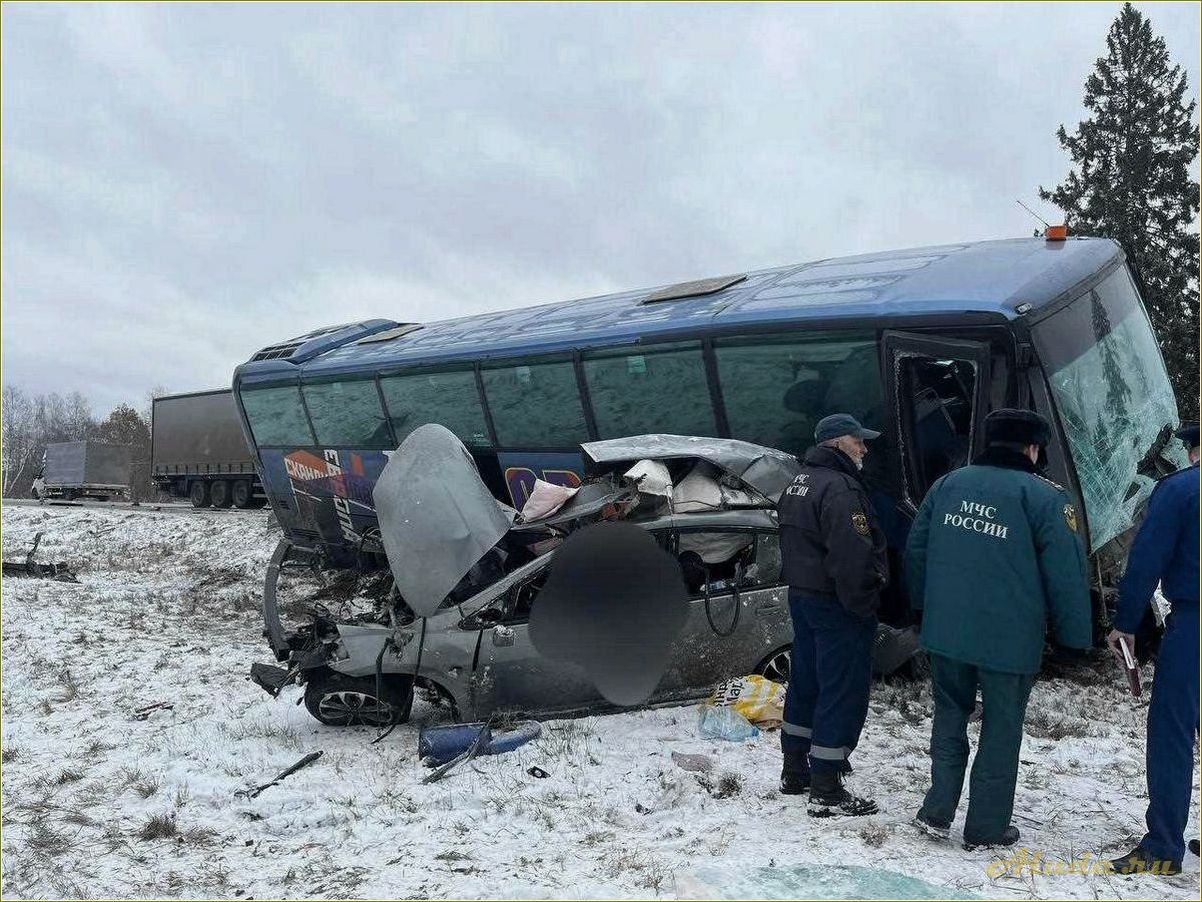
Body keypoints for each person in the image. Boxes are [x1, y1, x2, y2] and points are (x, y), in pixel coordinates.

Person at [905, 409, 1091, 849]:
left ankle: (937, 810)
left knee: (949, 715)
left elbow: (917, 550)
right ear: (1033, 448)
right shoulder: (1047, 497)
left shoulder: (949, 484)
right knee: (1002, 727)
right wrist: (1074, 640)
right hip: (1009, 640)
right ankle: (986, 826)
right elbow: (1066, 573)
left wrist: (920, 609)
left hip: (947, 631)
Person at [777, 413, 888, 817]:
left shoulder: (799, 481)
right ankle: (826, 784)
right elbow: (852, 554)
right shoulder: (841, 488)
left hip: (803, 596)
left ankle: (795, 770)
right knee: (841, 687)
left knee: (805, 680)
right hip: (838, 602)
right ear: (838, 443)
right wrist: (863, 604)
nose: (864, 448)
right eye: (859, 441)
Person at [1107, 422, 1199, 876]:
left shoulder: (1181, 490)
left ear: (1191, 451)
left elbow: (1146, 559)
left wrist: (1125, 623)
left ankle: (1164, 844)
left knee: (1173, 733)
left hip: (1195, 626)